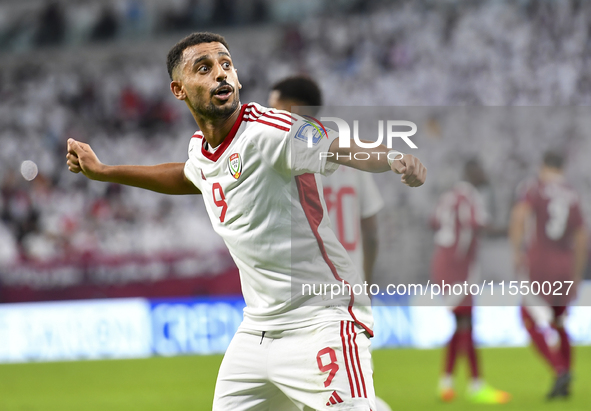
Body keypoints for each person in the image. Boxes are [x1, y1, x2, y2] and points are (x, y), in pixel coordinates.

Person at [66, 32, 427, 410]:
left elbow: (337, 145)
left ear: (237, 77)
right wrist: (105, 171)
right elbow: (191, 175)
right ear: (179, 89)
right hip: (257, 331)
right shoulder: (200, 150)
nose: (220, 74)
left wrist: (390, 157)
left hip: (321, 320)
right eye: (203, 68)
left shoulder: (272, 129)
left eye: (225, 65)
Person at [269, 75, 390, 411]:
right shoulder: (349, 153)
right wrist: (364, 278)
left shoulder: (282, 153)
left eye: (274, 105)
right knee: (345, 388)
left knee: (318, 393)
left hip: (306, 289)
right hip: (346, 289)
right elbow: (371, 229)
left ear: (295, 108)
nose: (268, 112)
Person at [510, 151, 588, 400]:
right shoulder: (572, 194)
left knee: (527, 316)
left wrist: (516, 252)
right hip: (565, 265)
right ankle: (565, 380)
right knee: (560, 321)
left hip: (540, 262)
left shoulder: (535, 187)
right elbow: (581, 236)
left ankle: (560, 370)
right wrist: (576, 274)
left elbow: (520, 216)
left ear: (543, 166)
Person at [431, 159, 510, 404]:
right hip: (459, 266)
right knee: (466, 322)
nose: (484, 174)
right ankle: (476, 384)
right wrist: (511, 229)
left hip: (443, 263)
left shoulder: (449, 196)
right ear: (473, 173)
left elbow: (432, 221)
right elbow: (479, 224)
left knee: (461, 322)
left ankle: (446, 383)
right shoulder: (470, 196)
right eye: (481, 171)